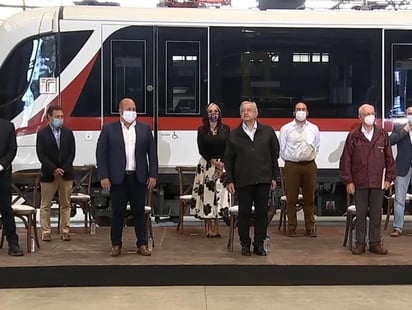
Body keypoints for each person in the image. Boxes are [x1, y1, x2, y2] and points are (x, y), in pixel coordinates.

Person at [96, 98, 158, 257]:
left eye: (134, 108)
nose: (132, 111)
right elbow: (101, 154)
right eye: (129, 108)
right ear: (121, 111)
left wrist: (153, 174)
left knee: (139, 212)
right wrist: (104, 176)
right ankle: (116, 245)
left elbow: (152, 154)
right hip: (118, 179)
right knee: (118, 213)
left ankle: (142, 244)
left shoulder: (144, 129)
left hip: (138, 178)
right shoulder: (109, 129)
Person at [340, 104, 396, 255]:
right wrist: (348, 181)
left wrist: (389, 178)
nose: (371, 116)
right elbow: (346, 160)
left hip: (378, 181)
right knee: (361, 214)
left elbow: (389, 158)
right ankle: (360, 243)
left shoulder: (382, 134)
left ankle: (375, 243)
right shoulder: (353, 136)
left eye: (372, 113)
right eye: (367, 114)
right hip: (360, 182)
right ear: (360, 117)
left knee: (376, 214)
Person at [225, 101, 279, 256]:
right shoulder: (234, 134)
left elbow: (274, 155)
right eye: (243, 110)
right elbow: (228, 159)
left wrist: (274, 177)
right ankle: (245, 244)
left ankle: (259, 244)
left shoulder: (267, 131)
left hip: (263, 179)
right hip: (243, 181)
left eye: (249, 110)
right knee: (244, 213)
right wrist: (230, 180)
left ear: (256, 113)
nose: (246, 113)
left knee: (262, 213)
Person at [279, 102, 320, 237]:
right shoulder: (286, 128)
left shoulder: (314, 128)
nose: (301, 111)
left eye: (303, 109)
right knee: (291, 198)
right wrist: (292, 159)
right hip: (292, 166)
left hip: (309, 165)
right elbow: (282, 148)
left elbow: (317, 146)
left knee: (310, 198)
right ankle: (291, 227)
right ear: (294, 112)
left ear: (307, 112)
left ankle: (310, 227)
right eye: (298, 109)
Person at [36, 106, 75, 242]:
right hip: (49, 174)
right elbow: (41, 154)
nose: (60, 119)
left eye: (61, 117)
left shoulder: (69, 133)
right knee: (45, 205)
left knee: (66, 204)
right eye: (57, 116)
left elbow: (71, 153)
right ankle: (46, 232)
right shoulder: (42, 134)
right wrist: (53, 169)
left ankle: (65, 231)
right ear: (49, 117)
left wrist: (63, 168)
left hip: (66, 174)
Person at [192, 102, 231, 238]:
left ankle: (217, 227)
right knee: (207, 197)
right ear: (206, 114)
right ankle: (208, 228)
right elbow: (201, 148)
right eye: (210, 111)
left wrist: (222, 164)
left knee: (220, 196)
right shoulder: (201, 130)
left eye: (215, 111)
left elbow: (228, 147)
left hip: (222, 166)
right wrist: (213, 161)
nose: (213, 114)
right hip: (207, 166)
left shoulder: (226, 129)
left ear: (219, 114)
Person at [0, 118, 24, 256]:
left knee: (6, 210)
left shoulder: (7, 126)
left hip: (2, 175)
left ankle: (13, 243)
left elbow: (12, 149)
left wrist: (1, 165)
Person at [389, 106, 412, 237]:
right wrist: (405, 130)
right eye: (409, 113)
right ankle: (398, 227)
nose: (411, 115)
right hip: (403, 167)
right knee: (399, 199)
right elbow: (390, 141)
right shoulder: (399, 128)